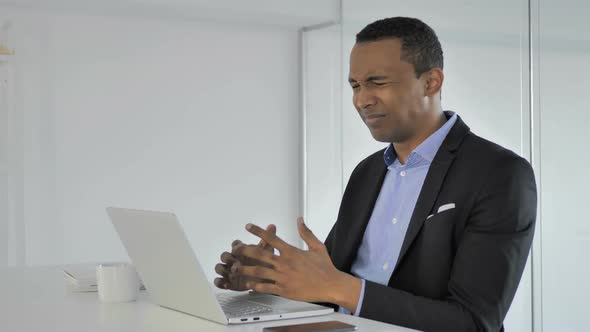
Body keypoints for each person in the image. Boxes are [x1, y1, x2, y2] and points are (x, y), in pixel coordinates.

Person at [213, 17, 537, 332]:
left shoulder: (499, 174)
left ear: (431, 82)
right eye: (355, 85)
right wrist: (272, 281)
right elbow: (329, 287)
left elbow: (474, 323)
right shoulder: (367, 173)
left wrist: (342, 288)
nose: (361, 100)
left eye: (377, 82)